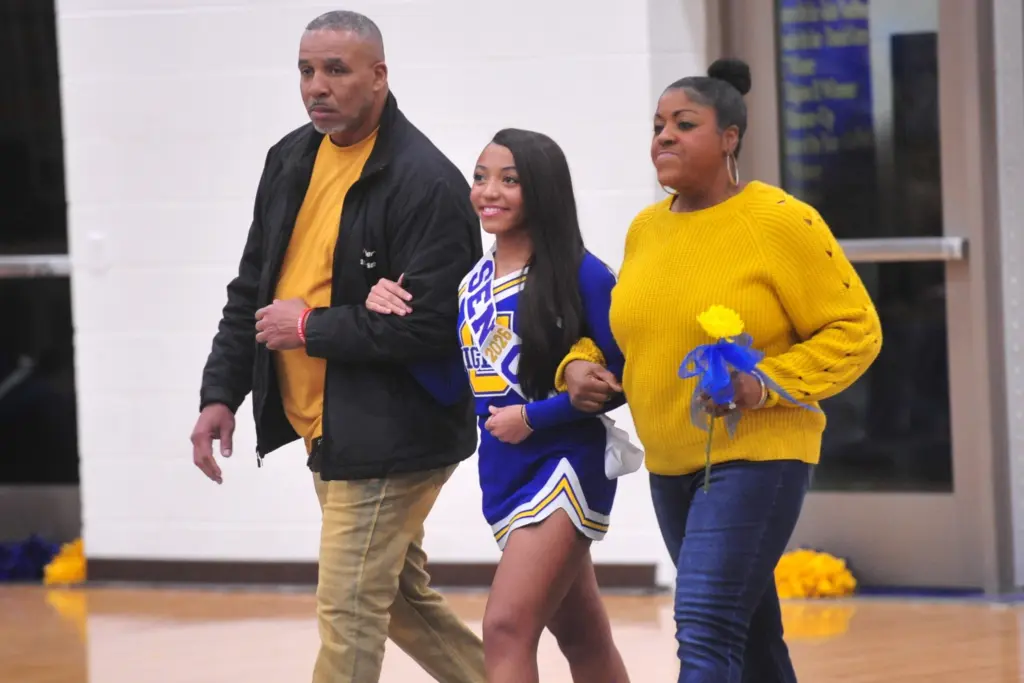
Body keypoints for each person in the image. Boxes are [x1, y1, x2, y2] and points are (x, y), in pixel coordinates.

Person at [558, 59, 883, 683]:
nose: (664, 136)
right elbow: (629, 333)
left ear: (730, 137)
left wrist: (761, 384)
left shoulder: (779, 220)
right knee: (752, 641)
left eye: (684, 124)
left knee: (704, 624)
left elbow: (855, 330)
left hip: (756, 457)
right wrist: (580, 364)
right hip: (671, 464)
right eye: (658, 126)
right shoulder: (646, 229)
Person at [189, 11, 486, 683]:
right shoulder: (291, 158)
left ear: (379, 76)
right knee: (398, 601)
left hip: (395, 432)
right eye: (306, 70)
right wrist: (220, 393)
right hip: (330, 430)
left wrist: (310, 328)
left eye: (335, 70)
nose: (316, 86)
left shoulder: (426, 182)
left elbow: (433, 326)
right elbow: (253, 287)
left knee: (348, 608)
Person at [365, 129, 632, 683]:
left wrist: (535, 417)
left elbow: (622, 378)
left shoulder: (584, 273)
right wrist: (388, 319)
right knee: (583, 636)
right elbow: (457, 385)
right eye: (481, 177)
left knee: (506, 628)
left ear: (543, 190)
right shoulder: (471, 283)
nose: (489, 191)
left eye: (509, 180)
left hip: (565, 464)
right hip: (503, 470)